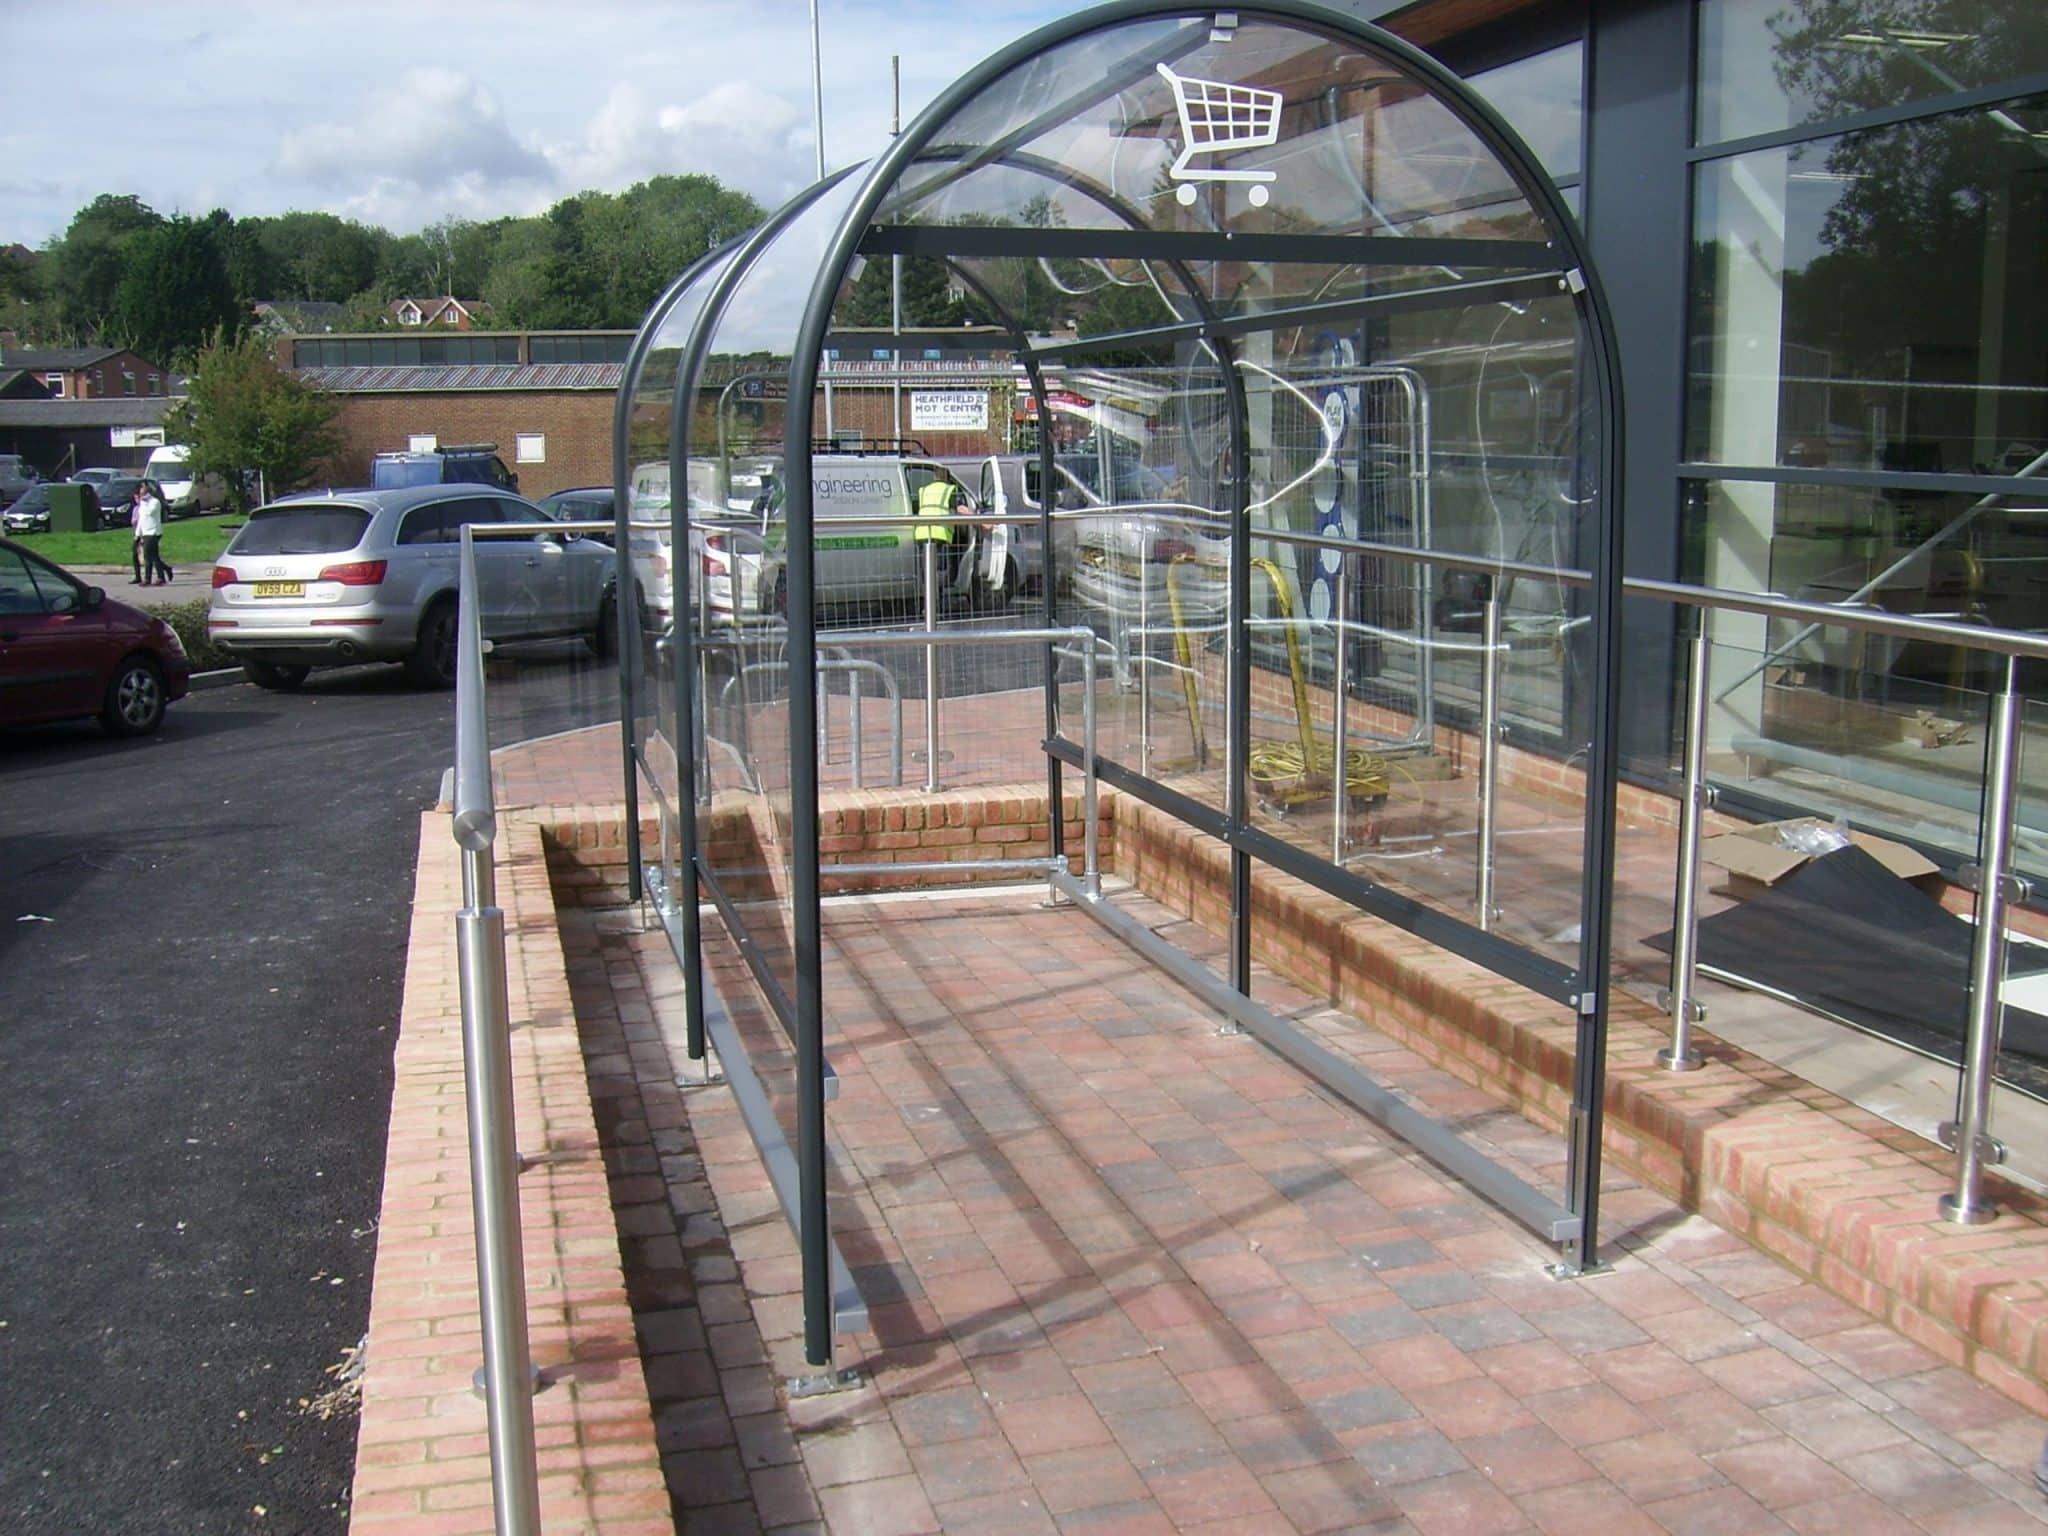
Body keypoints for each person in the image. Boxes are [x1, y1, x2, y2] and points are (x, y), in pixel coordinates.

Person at [133, 480, 172, 586]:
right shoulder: (142, 503)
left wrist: (144, 501)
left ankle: (147, 579)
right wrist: (137, 534)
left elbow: (149, 513)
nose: (141, 490)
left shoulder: (155, 502)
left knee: (147, 555)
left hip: (154, 532)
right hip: (145, 532)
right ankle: (162, 576)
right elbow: (141, 519)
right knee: (154, 556)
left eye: (143, 488)